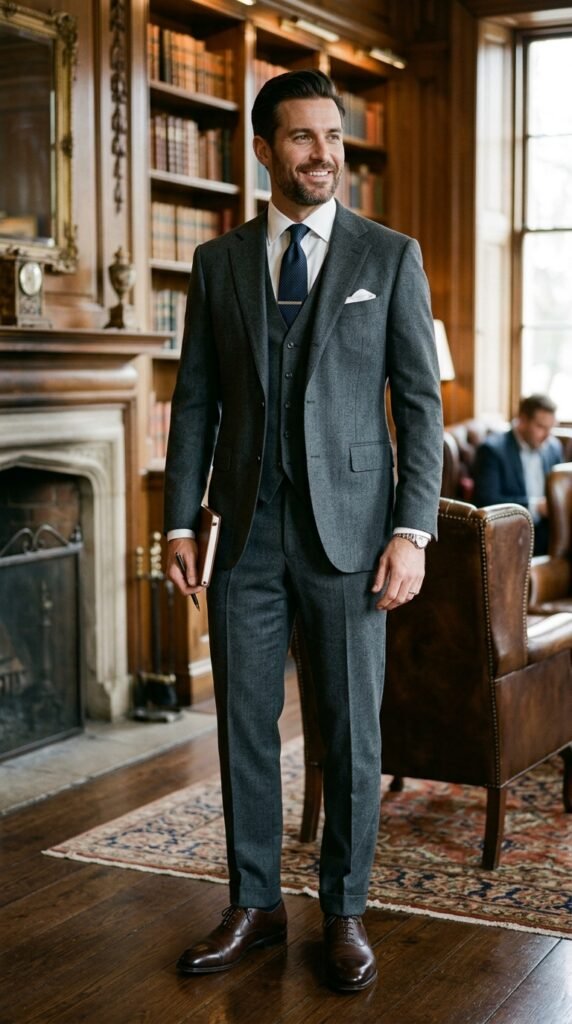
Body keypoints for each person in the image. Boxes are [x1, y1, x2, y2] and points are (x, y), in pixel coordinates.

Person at [164, 69, 443, 993]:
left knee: (350, 729)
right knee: (243, 722)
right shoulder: (218, 263)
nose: (323, 153)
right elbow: (195, 401)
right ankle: (255, 903)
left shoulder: (389, 256)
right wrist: (176, 520)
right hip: (243, 532)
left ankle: (345, 909)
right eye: (301, 138)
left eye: (332, 136)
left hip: (354, 534)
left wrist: (412, 529)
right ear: (263, 149)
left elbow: (420, 404)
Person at [472, 394, 562, 556]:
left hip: (549, 529)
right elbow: (486, 500)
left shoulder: (553, 447)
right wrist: (537, 507)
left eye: (551, 428)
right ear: (522, 420)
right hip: (510, 533)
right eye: (541, 427)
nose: (547, 436)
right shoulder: (492, 450)